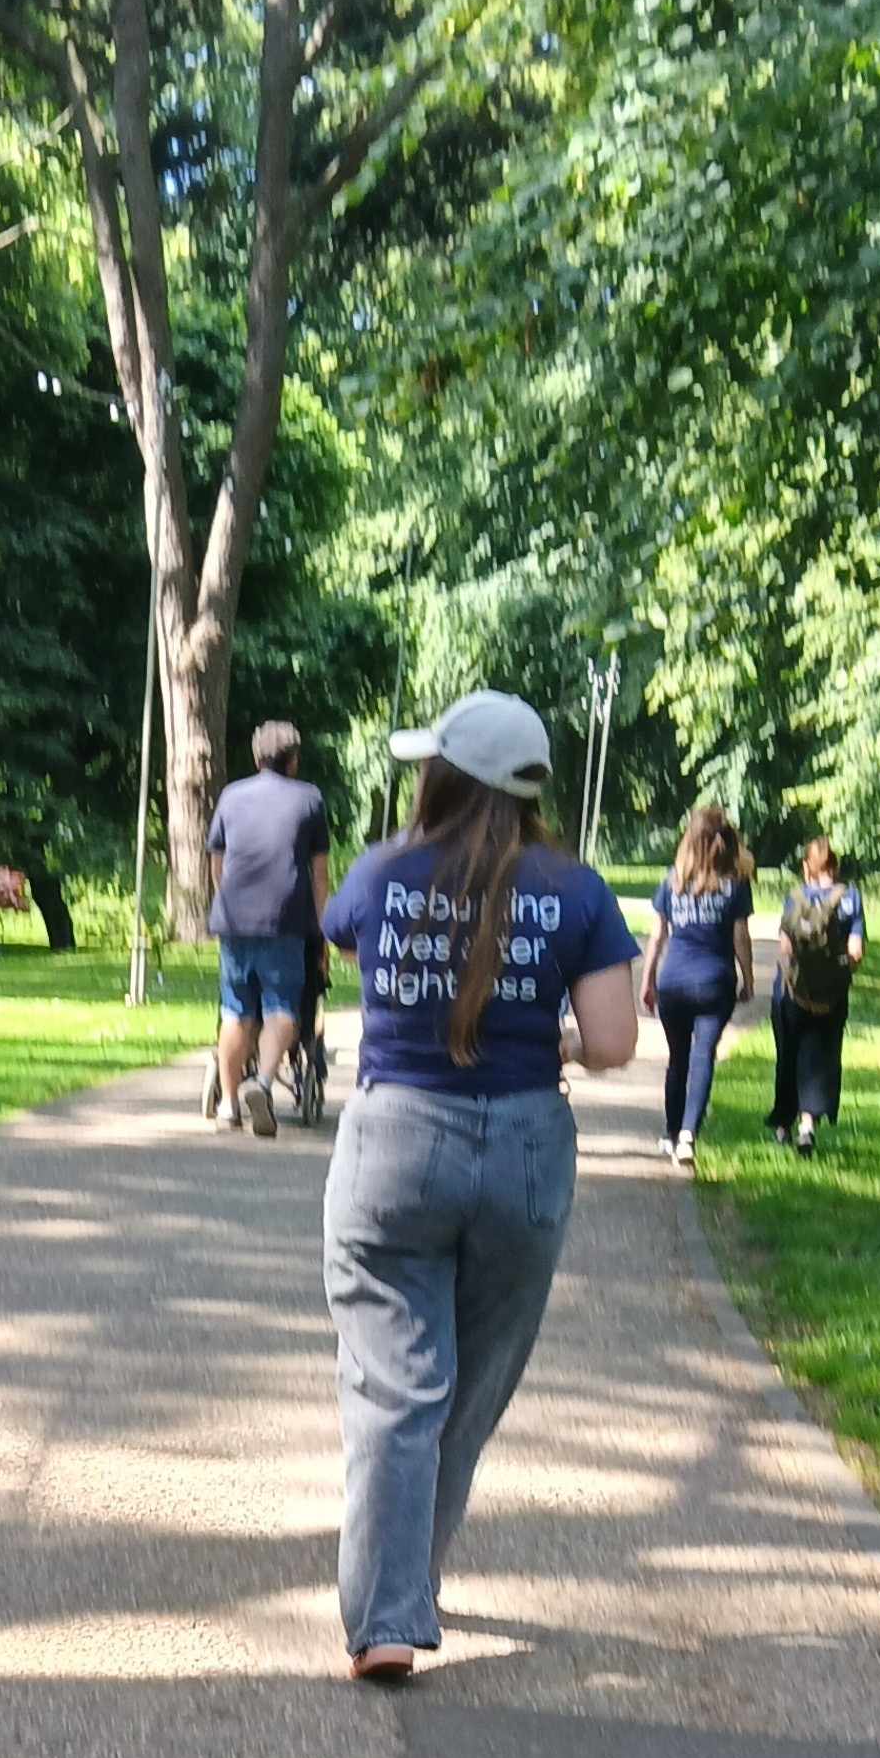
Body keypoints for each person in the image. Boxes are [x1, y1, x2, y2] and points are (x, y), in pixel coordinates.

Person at [319, 694, 639, 1684]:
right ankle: (411, 1586)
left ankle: (386, 1616)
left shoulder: (381, 870)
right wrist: (556, 1037)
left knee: (393, 1386)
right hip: (526, 1151)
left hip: (397, 1143)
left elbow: (339, 936)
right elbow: (618, 1044)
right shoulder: (579, 891)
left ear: (444, 778)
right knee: (468, 1387)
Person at [202, 719, 329, 1140]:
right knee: (281, 1008)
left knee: (236, 1010)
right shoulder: (310, 799)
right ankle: (266, 1084)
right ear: (293, 761)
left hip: (234, 919)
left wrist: (231, 904)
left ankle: (227, 1103)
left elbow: (216, 865)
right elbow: (319, 876)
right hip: (285, 919)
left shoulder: (230, 796)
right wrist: (322, 932)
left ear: (257, 758)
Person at [642, 799, 755, 1164]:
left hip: (672, 982)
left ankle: (670, 1133)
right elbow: (740, 937)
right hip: (714, 982)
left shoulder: (672, 883)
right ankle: (689, 1134)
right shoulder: (735, 885)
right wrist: (748, 978)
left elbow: (657, 935)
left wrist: (647, 980)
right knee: (703, 1055)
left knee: (678, 1058)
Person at [768, 836, 866, 1152]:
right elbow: (856, 953)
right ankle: (806, 1127)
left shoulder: (794, 898)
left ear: (806, 866)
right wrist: (834, 979)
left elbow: (785, 948)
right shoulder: (849, 898)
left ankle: (783, 1126)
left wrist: (797, 983)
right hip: (831, 998)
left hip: (790, 993)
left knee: (789, 1056)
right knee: (820, 1059)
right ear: (834, 865)